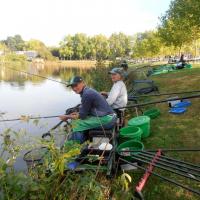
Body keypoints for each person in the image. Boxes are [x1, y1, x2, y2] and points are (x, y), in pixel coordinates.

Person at [59, 76, 116, 144]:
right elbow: (85, 111)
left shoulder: (87, 94)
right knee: (77, 120)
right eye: (72, 86)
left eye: (75, 85)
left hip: (107, 120)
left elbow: (82, 116)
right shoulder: (88, 90)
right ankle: (80, 141)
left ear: (82, 83)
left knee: (77, 124)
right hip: (110, 116)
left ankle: (74, 146)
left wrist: (66, 116)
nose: (74, 88)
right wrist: (76, 114)